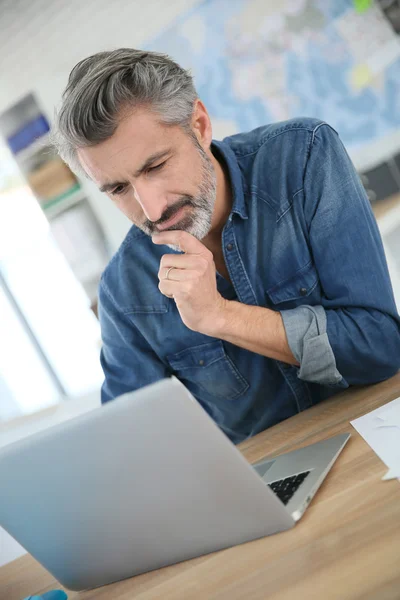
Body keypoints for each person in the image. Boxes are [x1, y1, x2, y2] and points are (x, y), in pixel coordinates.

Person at [52, 48, 400, 444]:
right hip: (270, 486)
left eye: (155, 166)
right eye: (118, 188)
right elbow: (134, 447)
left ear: (199, 125)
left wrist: (220, 317)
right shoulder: (123, 290)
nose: (152, 208)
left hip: (383, 435)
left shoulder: (302, 157)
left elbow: (379, 347)